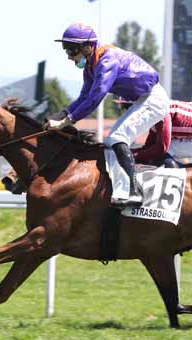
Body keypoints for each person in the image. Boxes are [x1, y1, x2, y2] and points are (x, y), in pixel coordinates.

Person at [47, 23, 170, 206]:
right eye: (66, 49)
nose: (69, 55)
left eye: (72, 50)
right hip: (141, 99)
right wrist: (62, 113)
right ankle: (122, 190)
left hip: (153, 98)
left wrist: (68, 121)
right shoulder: (91, 66)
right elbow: (84, 97)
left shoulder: (107, 61)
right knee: (111, 141)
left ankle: (136, 192)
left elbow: (96, 97)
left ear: (87, 47)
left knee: (117, 138)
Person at [116, 99, 192, 168]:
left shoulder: (160, 114)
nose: (126, 113)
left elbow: (160, 148)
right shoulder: (155, 111)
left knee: (161, 153)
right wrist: (127, 153)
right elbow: (148, 147)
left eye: (127, 108)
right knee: (154, 154)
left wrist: (129, 155)